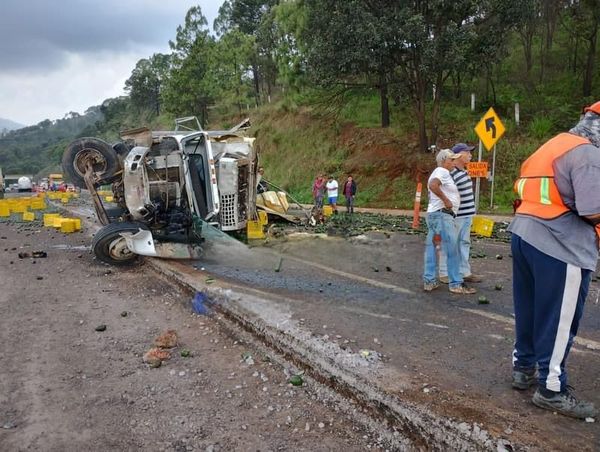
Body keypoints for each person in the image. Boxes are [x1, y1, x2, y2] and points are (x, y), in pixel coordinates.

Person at [509, 101, 600, 419]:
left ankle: (524, 368)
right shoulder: (588, 153)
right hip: (560, 245)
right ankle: (551, 389)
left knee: (530, 309)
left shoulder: (553, 144)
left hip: (524, 235)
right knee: (559, 321)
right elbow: (592, 210)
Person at [423, 149, 476, 295]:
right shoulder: (442, 171)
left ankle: (429, 281)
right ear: (444, 161)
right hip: (443, 215)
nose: (453, 162)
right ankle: (455, 283)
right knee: (452, 249)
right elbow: (433, 185)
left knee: (433, 249)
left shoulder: (439, 172)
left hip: (435, 215)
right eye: (451, 160)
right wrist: (446, 200)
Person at [438, 143, 483, 284]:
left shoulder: (464, 171)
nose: (470, 155)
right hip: (456, 216)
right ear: (458, 155)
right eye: (467, 152)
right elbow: (442, 190)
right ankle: (444, 273)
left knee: (464, 243)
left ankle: (465, 271)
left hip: (467, 215)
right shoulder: (452, 173)